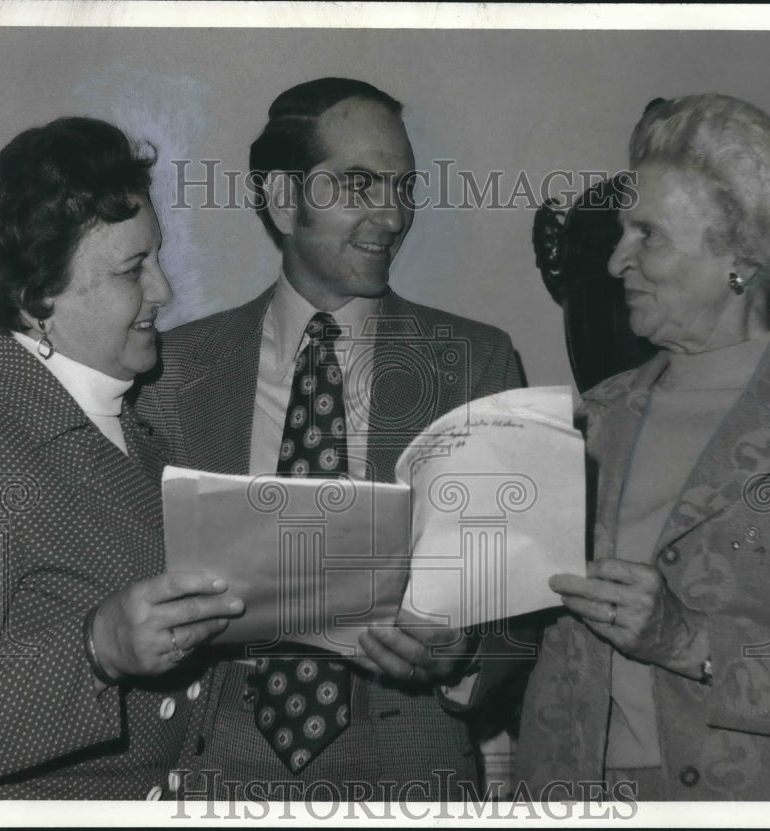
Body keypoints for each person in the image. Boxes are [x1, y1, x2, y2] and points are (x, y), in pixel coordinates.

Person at [136, 77, 523, 801]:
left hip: (411, 774)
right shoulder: (173, 370)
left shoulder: (476, 363)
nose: (393, 214)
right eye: (360, 184)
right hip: (215, 770)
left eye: (403, 187)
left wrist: (464, 653)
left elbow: (519, 602)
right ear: (284, 201)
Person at [515, 94, 770, 801]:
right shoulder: (592, 419)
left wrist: (689, 641)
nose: (617, 261)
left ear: (740, 258)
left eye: (647, 235)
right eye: (623, 233)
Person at [0, 117, 245, 799]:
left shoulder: (139, 425)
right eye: (133, 270)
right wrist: (95, 650)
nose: (163, 290)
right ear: (38, 298)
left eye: (156, 258)